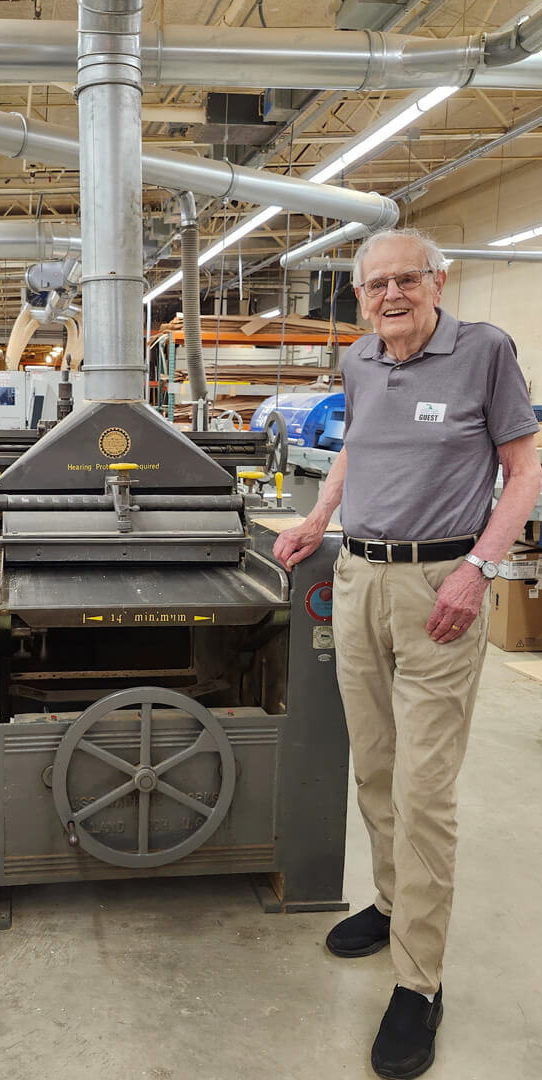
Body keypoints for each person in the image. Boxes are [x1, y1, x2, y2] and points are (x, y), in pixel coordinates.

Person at [273, 228, 541, 1079]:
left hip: (442, 594)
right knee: (378, 769)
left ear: (437, 280)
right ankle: (392, 903)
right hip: (359, 579)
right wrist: (320, 517)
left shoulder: (485, 352)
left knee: (425, 791)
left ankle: (419, 983)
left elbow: (526, 468)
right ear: (359, 297)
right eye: (375, 283)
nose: (391, 294)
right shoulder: (359, 361)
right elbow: (357, 444)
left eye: (406, 279)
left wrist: (480, 570)